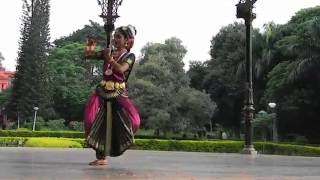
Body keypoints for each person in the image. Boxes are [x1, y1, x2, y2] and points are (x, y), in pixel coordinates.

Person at [84, 25, 140, 166]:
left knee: (135, 121)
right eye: (114, 36)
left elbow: (121, 69)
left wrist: (109, 60)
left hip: (118, 92)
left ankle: (118, 142)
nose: (115, 39)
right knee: (90, 120)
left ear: (127, 41)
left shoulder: (129, 56)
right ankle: (101, 156)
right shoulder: (108, 52)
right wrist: (90, 45)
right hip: (102, 91)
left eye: (118, 37)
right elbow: (87, 56)